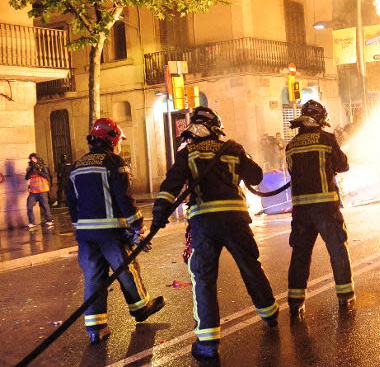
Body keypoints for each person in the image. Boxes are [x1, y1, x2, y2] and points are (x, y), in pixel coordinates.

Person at [152, 106, 278, 360]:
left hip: (204, 223)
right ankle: (270, 313)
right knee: (250, 267)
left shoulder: (187, 152)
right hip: (235, 221)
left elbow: (170, 186)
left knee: (204, 278)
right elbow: (256, 176)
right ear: (216, 127)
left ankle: (208, 343)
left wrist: (159, 215)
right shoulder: (232, 148)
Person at [66, 118, 165, 345]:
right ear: (111, 140)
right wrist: (138, 225)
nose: (119, 145)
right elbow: (124, 198)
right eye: (118, 141)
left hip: (85, 234)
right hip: (111, 232)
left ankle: (96, 328)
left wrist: (78, 228)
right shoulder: (113, 162)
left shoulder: (76, 166)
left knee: (93, 277)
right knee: (127, 269)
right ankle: (141, 308)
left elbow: (72, 203)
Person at [284, 99, 354, 321]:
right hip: (325, 208)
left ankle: (295, 303)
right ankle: (345, 297)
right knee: (337, 250)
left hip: (301, 210)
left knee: (300, 255)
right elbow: (343, 165)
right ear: (320, 119)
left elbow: (291, 170)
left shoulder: (291, 145)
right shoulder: (327, 139)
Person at [25, 153, 54, 229]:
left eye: (34, 158)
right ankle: (31, 222)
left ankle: (49, 220)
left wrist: (38, 171)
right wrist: (31, 170)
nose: (32, 160)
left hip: (42, 190)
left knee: (45, 206)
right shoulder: (30, 168)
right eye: (31, 159)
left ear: (37, 159)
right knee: (29, 206)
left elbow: (47, 176)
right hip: (33, 191)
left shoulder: (43, 167)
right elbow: (27, 177)